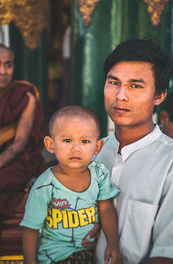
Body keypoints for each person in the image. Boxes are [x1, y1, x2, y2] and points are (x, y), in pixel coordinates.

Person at [95, 39, 173, 264]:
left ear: (159, 96)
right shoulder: (94, 153)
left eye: (135, 86)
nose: (120, 95)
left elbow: (170, 256)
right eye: (114, 82)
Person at [20, 106, 122, 264]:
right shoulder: (45, 185)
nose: (76, 148)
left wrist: (113, 244)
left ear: (97, 147)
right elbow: (30, 229)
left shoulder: (99, 174)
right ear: (50, 144)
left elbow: (106, 208)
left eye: (85, 141)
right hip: (54, 257)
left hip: (89, 254)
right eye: (67, 140)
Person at [0, 43, 46, 220]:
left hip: (16, 159)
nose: (3, 71)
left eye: (8, 64)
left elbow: (20, 142)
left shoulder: (25, 96)